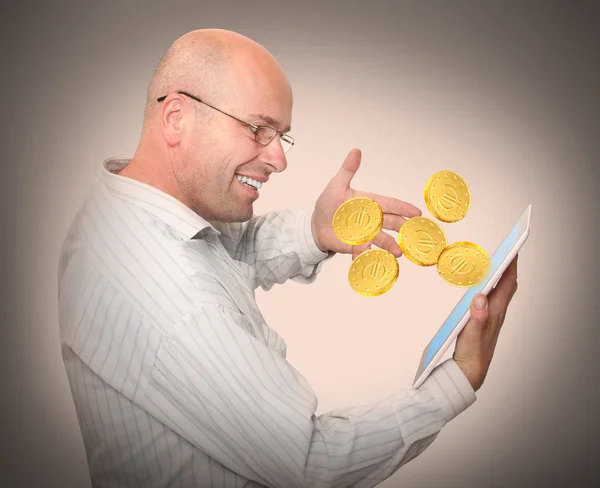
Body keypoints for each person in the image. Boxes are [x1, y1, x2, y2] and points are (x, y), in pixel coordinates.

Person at [57, 28, 519, 488]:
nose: (278, 160)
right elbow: (313, 461)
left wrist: (315, 232)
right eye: (258, 128)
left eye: (282, 136)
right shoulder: (172, 301)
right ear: (176, 117)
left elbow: (220, 254)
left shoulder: (122, 208)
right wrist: (459, 380)